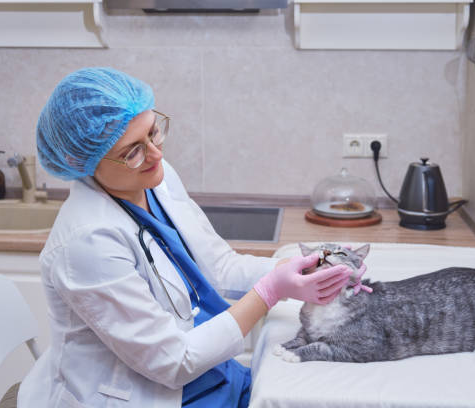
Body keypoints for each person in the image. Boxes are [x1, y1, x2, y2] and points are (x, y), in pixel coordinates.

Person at [18, 67, 354, 408]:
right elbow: (173, 361)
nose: (155, 154)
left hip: (213, 371)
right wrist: (270, 291)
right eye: (132, 151)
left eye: (153, 132)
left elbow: (219, 269)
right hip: (150, 395)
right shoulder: (86, 242)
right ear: (83, 162)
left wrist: (294, 269)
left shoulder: (154, 178)